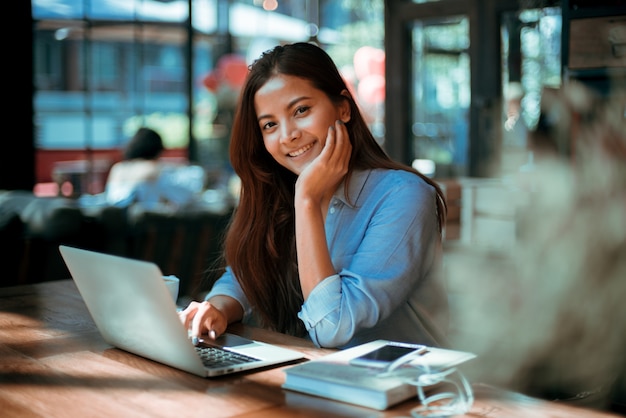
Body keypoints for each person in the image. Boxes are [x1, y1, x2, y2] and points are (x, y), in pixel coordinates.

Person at [179, 42, 449, 349]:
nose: (288, 135)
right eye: (270, 125)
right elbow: (246, 275)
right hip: (318, 379)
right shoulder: (280, 189)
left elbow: (333, 328)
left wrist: (306, 199)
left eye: (301, 110)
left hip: (413, 388)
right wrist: (216, 308)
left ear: (343, 108)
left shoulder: (404, 197)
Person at [104, 127, 195, 208]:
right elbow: (185, 195)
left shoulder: (118, 168)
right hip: (143, 223)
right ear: (157, 150)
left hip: (115, 223)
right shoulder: (152, 169)